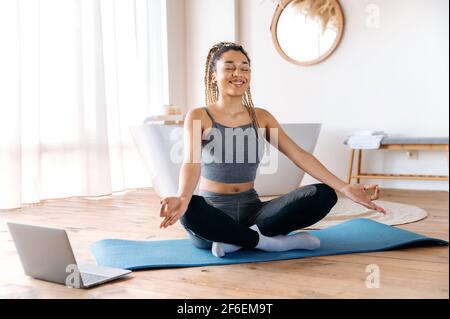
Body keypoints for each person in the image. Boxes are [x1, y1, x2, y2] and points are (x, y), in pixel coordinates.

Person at [159, 41, 386, 258]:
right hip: (214, 212)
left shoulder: (262, 117)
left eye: (244, 68)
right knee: (191, 210)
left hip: (253, 211)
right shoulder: (199, 116)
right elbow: (191, 162)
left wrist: (345, 188)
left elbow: (298, 155)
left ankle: (240, 239)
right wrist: (183, 197)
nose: (238, 73)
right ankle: (270, 243)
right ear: (213, 76)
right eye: (229, 67)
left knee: (324, 194)